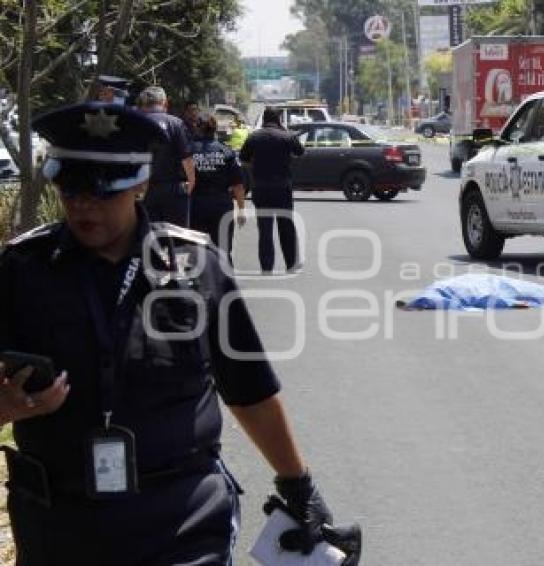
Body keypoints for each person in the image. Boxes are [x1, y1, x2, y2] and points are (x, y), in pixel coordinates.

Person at [0, 102, 357, 564]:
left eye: (102, 191)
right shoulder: (21, 271)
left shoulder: (198, 266)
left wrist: (298, 483)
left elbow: (248, 388)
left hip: (182, 521)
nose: (83, 205)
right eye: (71, 189)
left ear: (141, 186)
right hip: (60, 524)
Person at [239, 108, 304, 273]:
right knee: (286, 226)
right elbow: (300, 152)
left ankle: (266, 267)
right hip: (282, 187)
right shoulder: (287, 136)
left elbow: (243, 159)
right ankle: (291, 264)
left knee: (265, 229)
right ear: (279, 120)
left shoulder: (254, 137)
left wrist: (256, 168)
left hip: (261, 187)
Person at [190, 112, 246, 262]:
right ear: (215, 129)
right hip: (221, 206)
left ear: (197, 128)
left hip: (195, 206)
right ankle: (225, 283)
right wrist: (241, 209)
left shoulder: (188, 151)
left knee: (196, 251)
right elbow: (238, 184)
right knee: (223, 250)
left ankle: (202, 282)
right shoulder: (226, 151)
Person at [138, 86, 196, 227]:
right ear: (165, 103)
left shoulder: (136, 124)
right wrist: (192, 181)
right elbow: (186, 158)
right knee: (178, 239)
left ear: (143, 104)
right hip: (174, 189)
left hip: (144, 190)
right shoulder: (176, 123)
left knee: (148, 237)